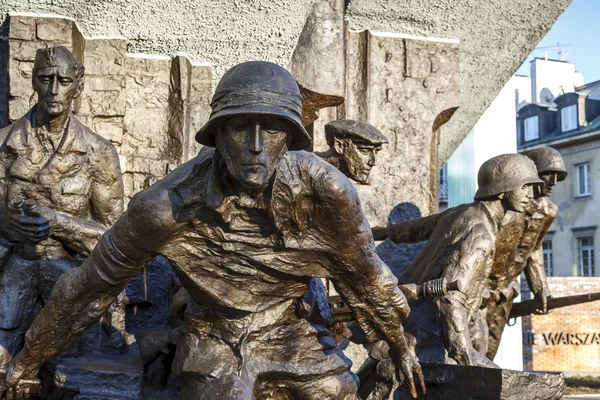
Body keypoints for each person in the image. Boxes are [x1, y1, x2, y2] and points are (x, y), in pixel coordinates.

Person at [0, 61, 424, 399]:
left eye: (272, 128)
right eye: (240, 127)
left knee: (338, 392)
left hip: (293, 329)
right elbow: (90, 286)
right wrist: (26, 362)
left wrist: (398, 347)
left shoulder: (325, 191)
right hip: (215, 334)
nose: (255, 146)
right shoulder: (165, 206)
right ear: (217, 135)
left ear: (291, 139)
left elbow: (366, 278)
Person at [0, 46, 123, 364]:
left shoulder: (98, 152)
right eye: (45, 79)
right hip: (14, 268)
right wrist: (5, 222)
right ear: (34, 82)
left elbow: (115, 241)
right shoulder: (3, 144)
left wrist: (58, 222)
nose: (54, 90)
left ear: (78, 86)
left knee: (75, 364)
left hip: (69, 274)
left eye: (64, 80)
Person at [383, 154, 541, 367]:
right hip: (429, 338)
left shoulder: (462, 212)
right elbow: (448, 299)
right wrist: (465, 356)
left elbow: (413, 229)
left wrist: (377, 233)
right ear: (502, 190)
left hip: (412, 322)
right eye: (525, 187)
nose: (531, 194)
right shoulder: (481, 236)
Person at [485, 146, 567, 359]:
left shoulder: (549, 211)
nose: (553, 181)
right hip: (481, 287)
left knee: (488, 353)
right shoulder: (508, 204)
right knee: (470, 348)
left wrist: (540, 288)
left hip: (505, 291)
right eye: (548, 174)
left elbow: (534, 248)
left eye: (558, 175)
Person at [316, 119, 388, 184]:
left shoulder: (336, 179)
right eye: (364, 151)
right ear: (339, 146)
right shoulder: (310, 169)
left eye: (376, 152)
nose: (372, 163)